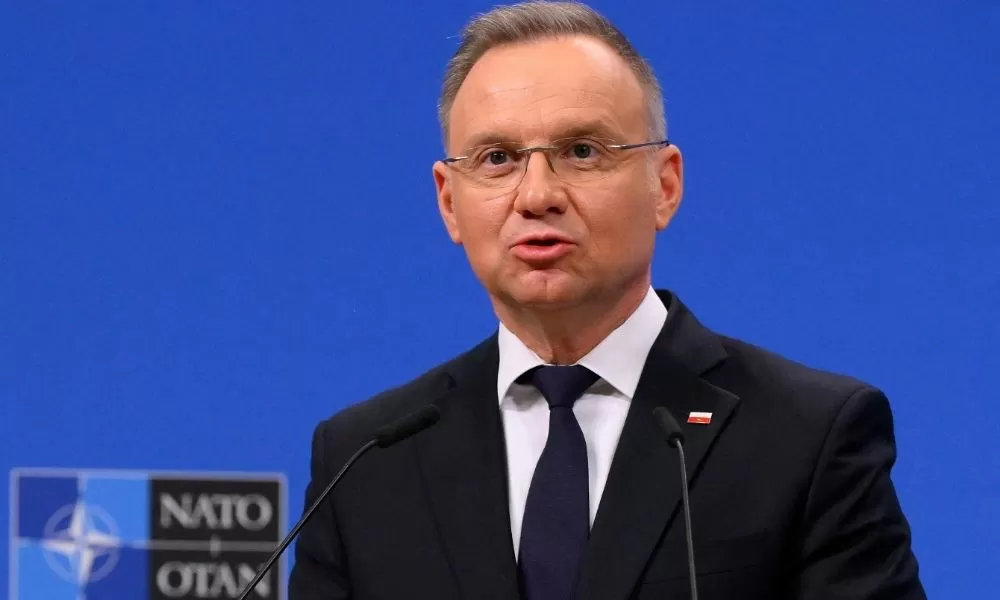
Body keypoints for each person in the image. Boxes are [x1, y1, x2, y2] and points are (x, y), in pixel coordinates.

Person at [288, 2, 926, 599]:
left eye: (582, 151)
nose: (537, 195)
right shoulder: (364, 460)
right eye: (498, 157)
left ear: (664, 186)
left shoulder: (807, 437)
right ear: (449, 202)